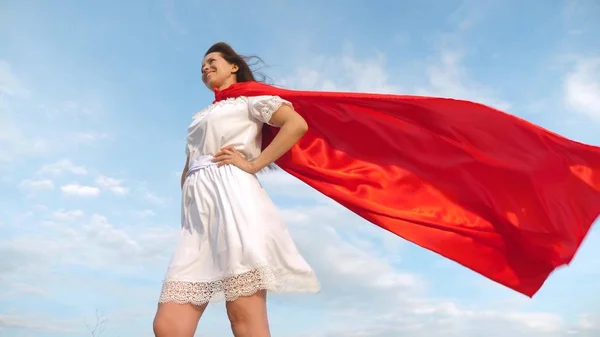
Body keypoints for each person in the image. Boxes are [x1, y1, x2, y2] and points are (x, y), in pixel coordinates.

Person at [152, 42, 320, 337]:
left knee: (243, 316)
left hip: (235, 200)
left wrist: (255, 164)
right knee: (167, 325)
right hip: (198, 217)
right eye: (201, 66)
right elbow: (191, 159)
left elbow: (296, 125)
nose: (205, 68)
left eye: (211, 61)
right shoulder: (203, 114)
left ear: (233, 66)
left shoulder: (248, 100)